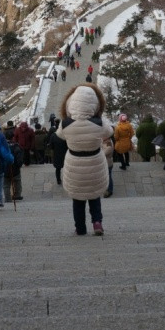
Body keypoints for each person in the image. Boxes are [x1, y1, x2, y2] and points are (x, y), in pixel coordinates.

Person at [57, 83, 113, 236]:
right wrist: (98, 116)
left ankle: (80, 228)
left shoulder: (66, 125)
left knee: (77, 199)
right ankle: (97, 222)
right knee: (94, 195)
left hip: (74, 163)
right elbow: (110, 131)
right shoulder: (99, 124)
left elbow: (59, 135)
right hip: (94, 162)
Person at [48, 117, 67, 185]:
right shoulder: (65, 134)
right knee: (66, 167)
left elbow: (51, 146)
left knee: (58, 168)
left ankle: (58, 180)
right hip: (65, 153)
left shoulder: (53, 135)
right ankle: (66, 180)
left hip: (57, 154)